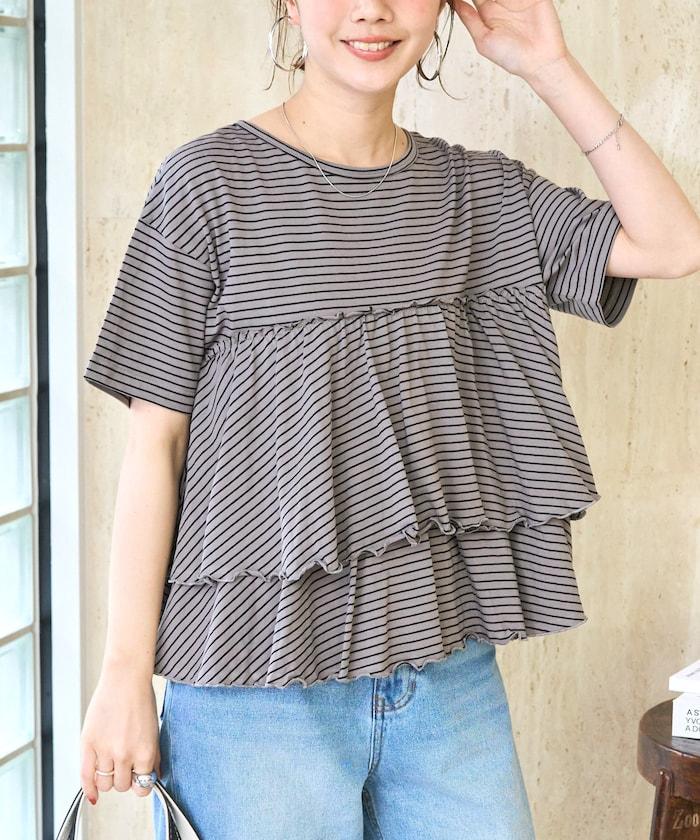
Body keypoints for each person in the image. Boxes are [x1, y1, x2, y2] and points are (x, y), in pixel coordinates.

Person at [78, 1, 700, 838]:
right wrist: (124, 674)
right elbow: (155, 445)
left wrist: (549, 64)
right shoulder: (209, 185)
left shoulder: (482, 196)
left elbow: (672, 244)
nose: (372, 9)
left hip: (445, 678)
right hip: (255, 691)